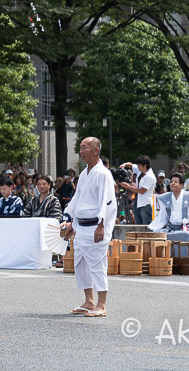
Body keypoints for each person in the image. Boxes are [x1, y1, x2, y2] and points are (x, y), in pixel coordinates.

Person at [60, 136, 116, 318]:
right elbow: (78, 201)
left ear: (95, 150)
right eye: (80, 148)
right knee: (81, 264)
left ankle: (101, 304)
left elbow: (107, 202)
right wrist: (72, 223)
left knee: (98, 264)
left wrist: (101, 225)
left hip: (96, 227)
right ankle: (89, 300)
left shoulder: (103, 173)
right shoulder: (84, 174)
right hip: (82, 226)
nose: (81, 151)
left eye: (85, 148)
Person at [148, 172, 189, 242]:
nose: (173, 183)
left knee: (186, 235)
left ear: (181, 185)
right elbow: (163, 216)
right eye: (171, 182)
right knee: (161, 236)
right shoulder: (166, 197)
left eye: (176, 182)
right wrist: (156, 229)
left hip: (187, 228)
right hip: (171, 228)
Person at [117, 157, 155, 226]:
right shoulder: (141, 171)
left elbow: (142, 191)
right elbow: (131, 165)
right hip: (137, 201)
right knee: (138, 225)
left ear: (145, 165)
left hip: (145, 204)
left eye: (139, 165)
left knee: (146, 226)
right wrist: (124, 164)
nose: (138, 167)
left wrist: (128, 186)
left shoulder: (150, 176)